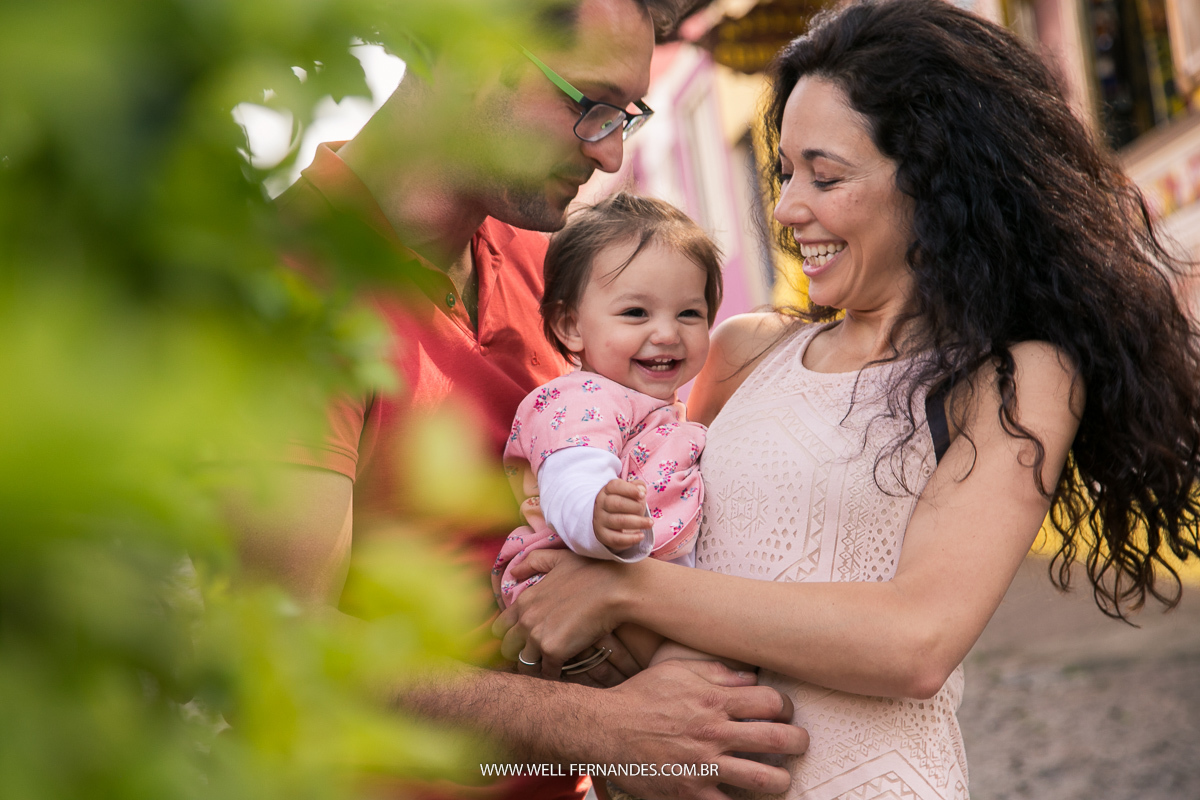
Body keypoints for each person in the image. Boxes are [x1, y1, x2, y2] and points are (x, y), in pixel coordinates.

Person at [493, 1, 1200, 798]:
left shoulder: (1012, 379)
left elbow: (915, 641)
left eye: (825, 175)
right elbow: (673, 544)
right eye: (786, 171)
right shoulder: (745, 352)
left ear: (937, 179)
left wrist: (622, 588)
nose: (790, 208)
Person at [235, 1, 809, 799]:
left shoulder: (553, 267)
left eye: (626, 117)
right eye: (588, 106)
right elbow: (274, 639)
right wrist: (607, 729)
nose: (609, 156)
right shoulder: (288, 290)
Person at [496, 192, 741, 679]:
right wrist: (595, 514)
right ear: (571, 326)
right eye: (636, 314)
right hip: (577, 570)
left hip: (636, 582)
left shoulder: (658, 409)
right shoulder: (579, 401)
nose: (668, 333)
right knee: (715, 672)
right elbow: (571, 477)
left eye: (689, 314)